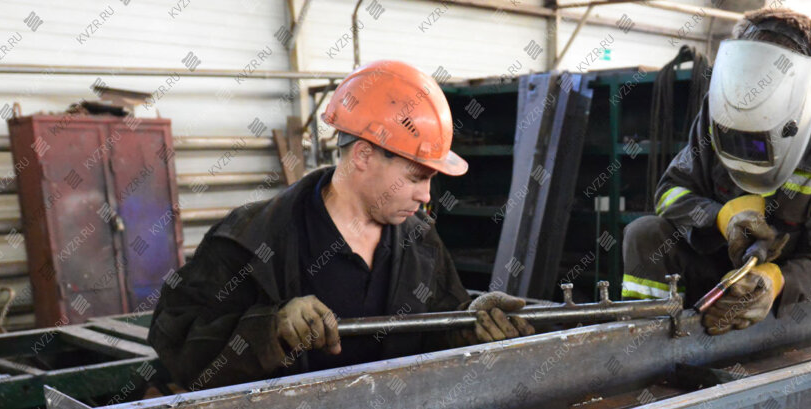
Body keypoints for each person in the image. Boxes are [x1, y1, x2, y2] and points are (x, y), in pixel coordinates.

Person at [149, 60, 533, 389]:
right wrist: (272, 328)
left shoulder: (420, 240)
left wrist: (470, 321)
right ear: (363, 155)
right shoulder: (251, 238)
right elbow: (177, 344)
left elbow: (437, 325)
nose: (426, 195)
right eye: (416, 177)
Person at [622, 7, 811, 335]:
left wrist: (776, 281)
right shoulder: (718, 110)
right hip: (721, 272)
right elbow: (670, 191)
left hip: (798, 300)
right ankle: (642, 339)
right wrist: (720, 218)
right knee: (645, 234)